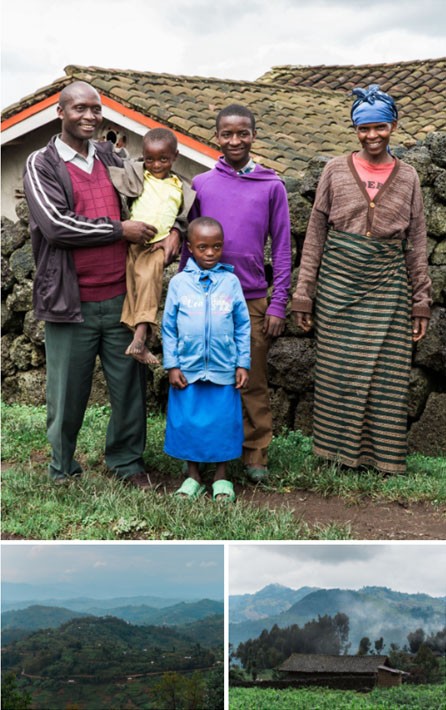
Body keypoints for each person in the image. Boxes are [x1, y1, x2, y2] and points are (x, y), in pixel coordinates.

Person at [22, 80, 164, 486]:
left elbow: (149, 195)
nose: (89, 116)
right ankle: (63, 468)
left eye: (95, 109)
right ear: (61, 113)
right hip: (72, 300)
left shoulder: (108, 155)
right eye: (79, 108)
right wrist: (120, 229)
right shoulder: (41, 163)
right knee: (66, 394)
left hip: (121, 297)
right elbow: (56, 226)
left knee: (129, 390)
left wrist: (172, 229)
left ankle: (126, 463)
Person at [292, 84, 432, 475]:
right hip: (339, 287)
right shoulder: (335, 170)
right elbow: (316, 234)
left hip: (388, 287)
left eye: (381, 127)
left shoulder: (409, 178)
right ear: (355, 130)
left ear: (394, 126)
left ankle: (381, 460)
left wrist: (420, 300)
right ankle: (337, 456)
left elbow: (417, 241)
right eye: (364, 128)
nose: (373, 136)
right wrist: (304, 295)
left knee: (386, 374)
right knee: (338, 372)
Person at [179, 104, 291, 482]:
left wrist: (278, 301)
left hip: (252, 296)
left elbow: (282, 248)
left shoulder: (271, 185)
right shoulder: (202, 184)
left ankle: (255, 451)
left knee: (251, 376)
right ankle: (204, 447)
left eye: (242, 133)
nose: (235, 140)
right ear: (216, 138)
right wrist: (181, 292)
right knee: (206, 378)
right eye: (227, 134)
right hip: (203, 298)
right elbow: (186, 245)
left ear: (254, 136)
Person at [163, 217, 251, 501]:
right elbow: (169, 327)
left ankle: (222, 477)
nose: (211, 253)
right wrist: (172, 364)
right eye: (203, 247)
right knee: (188, 422)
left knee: (222, 423)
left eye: (217, 247)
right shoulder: (179, 284)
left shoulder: (231, 282)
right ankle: (193, 476)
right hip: (187, 370)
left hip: (223, 367)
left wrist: (242, 363)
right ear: (190, 248)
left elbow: (242, 325)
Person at [108, 128, 195, 364]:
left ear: (175, 156)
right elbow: (118, 172)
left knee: (148, 279)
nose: (156, 165)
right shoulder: (139, 176)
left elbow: (185, 218)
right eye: (150, 159)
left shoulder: (180, 186)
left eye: (163, 159)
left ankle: (140, 336)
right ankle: (138, 339)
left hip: (158, 246)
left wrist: (176, 232)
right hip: (134, 243)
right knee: (133, 287)